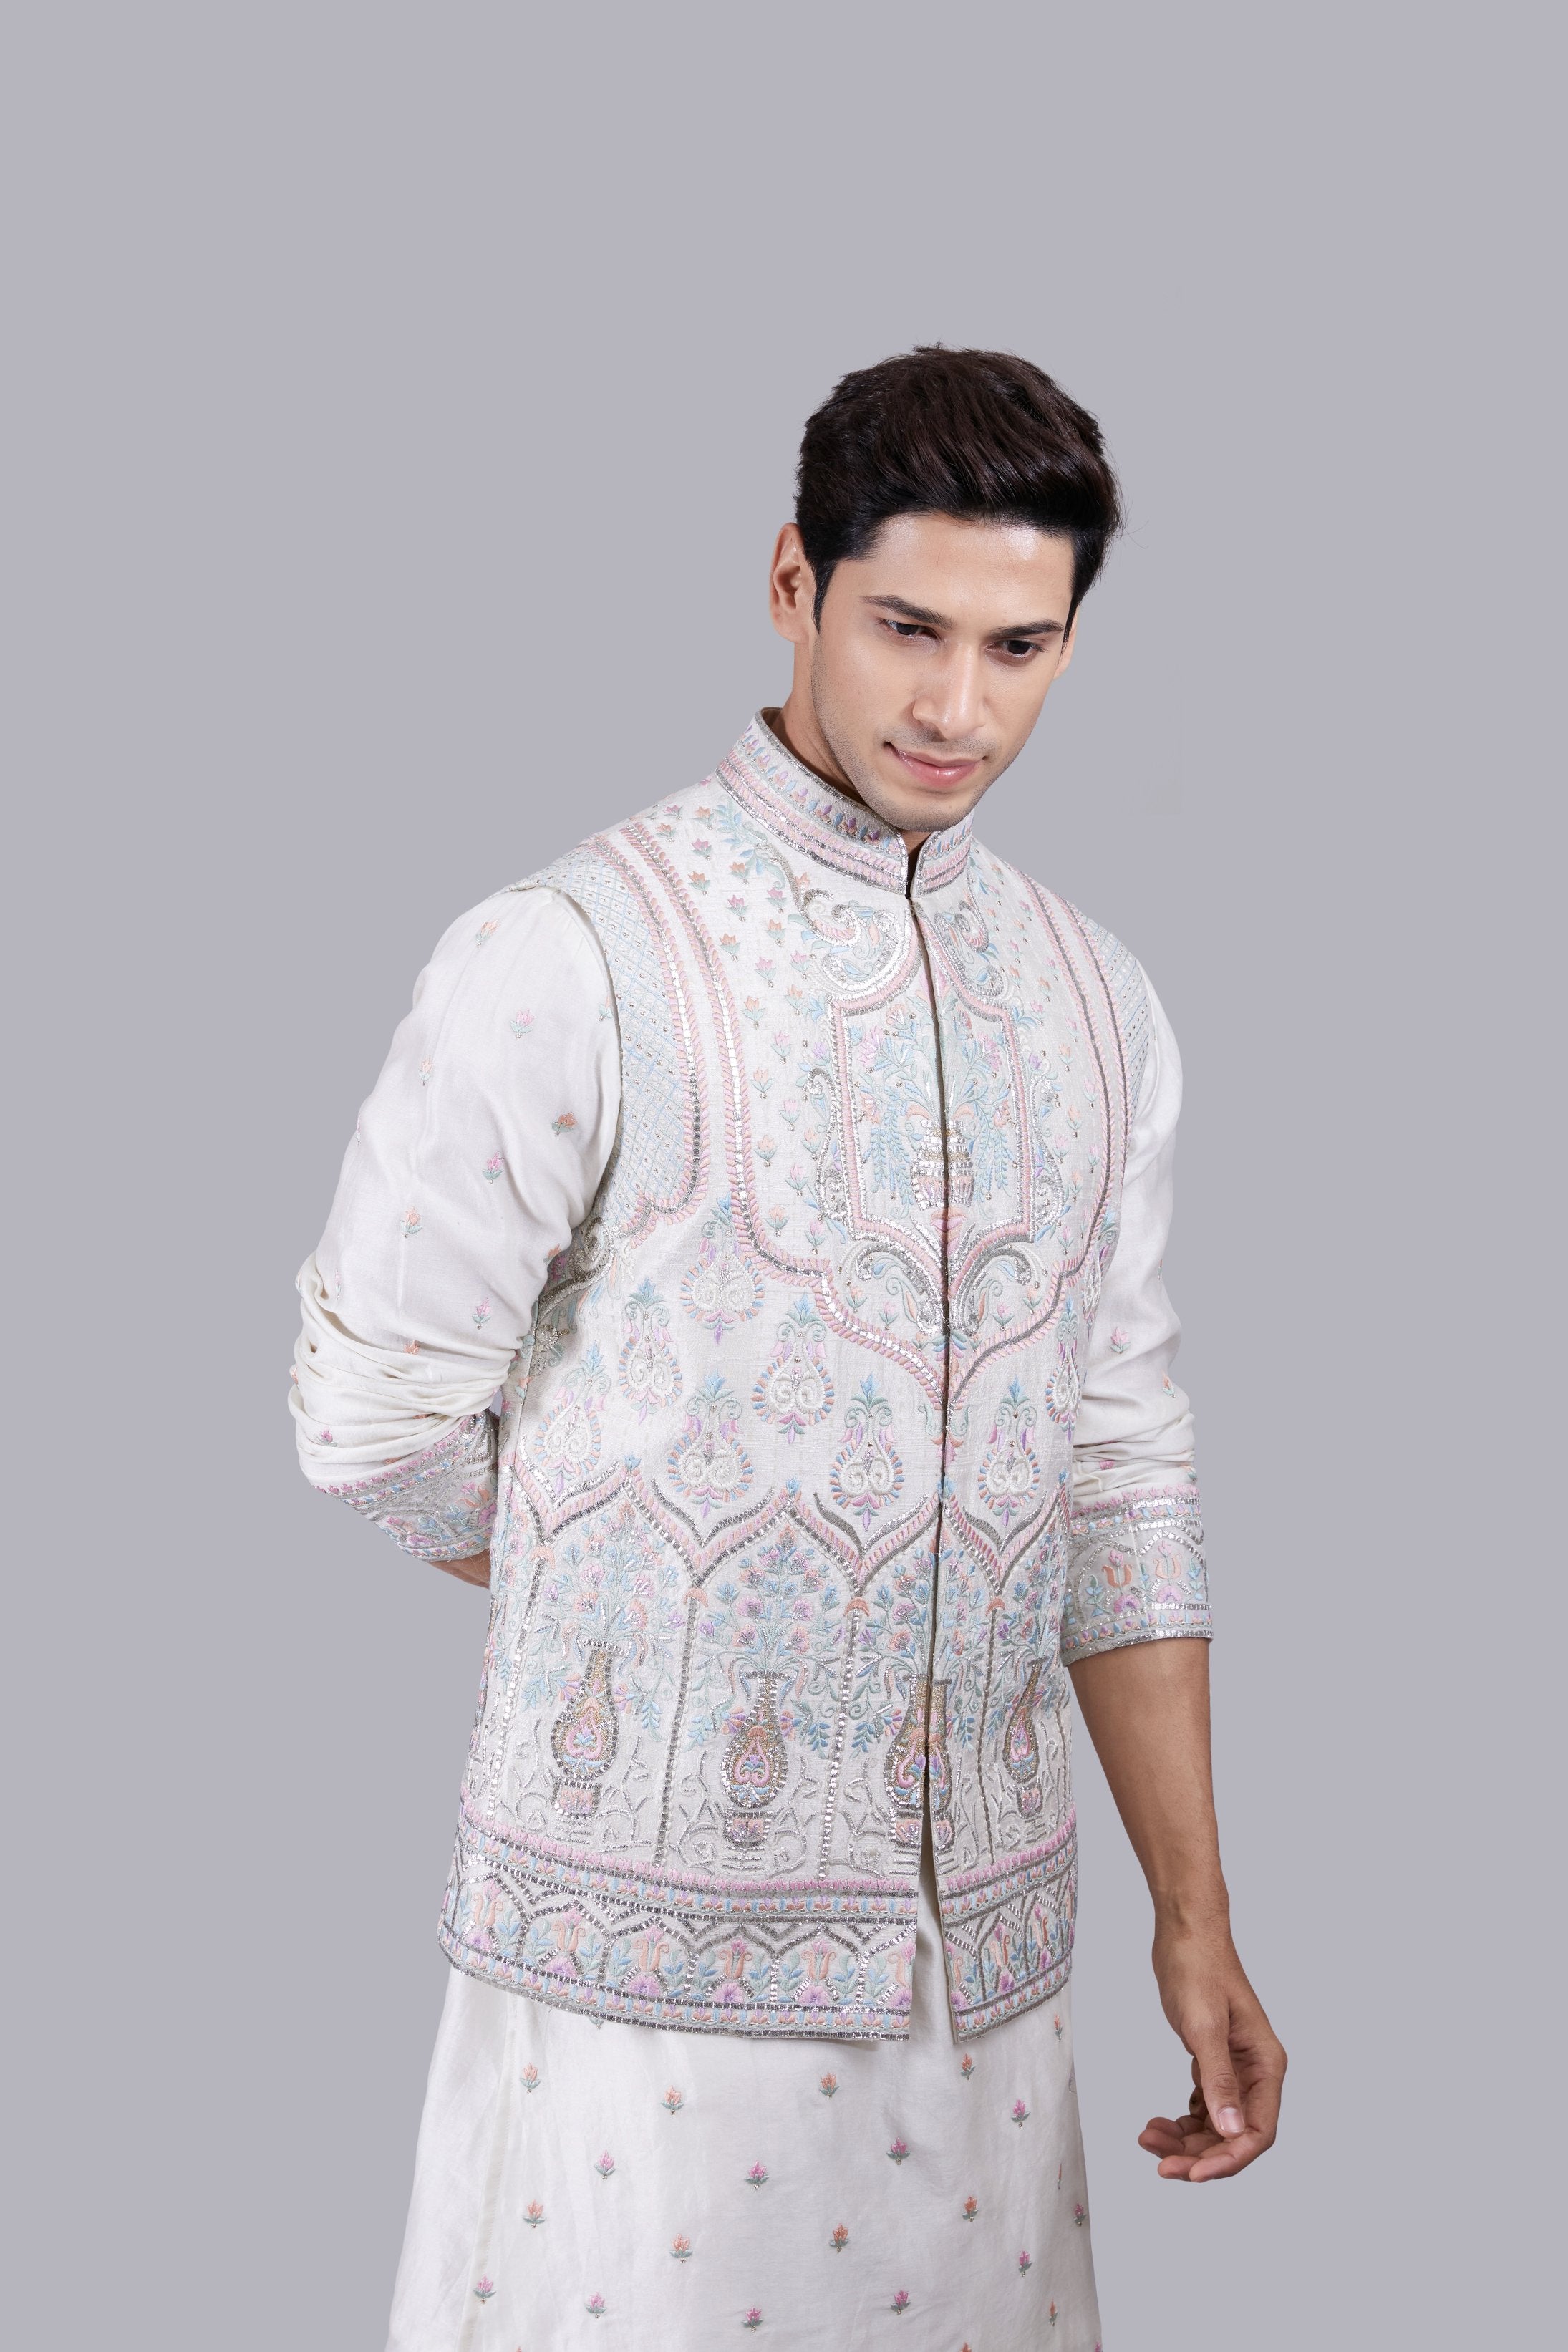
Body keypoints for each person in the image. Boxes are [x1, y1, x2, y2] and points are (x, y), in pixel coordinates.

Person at [290, 346, 1285, 2352]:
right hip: (638, 1989)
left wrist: (1196, 1919)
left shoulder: (1094, 1002)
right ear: (790, 585)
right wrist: (656, 1602)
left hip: (986, 1988)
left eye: (1018, 647)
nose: (955, 707)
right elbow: (372, 1413)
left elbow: (1115, 1476)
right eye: (906, 627)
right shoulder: (573, 956)